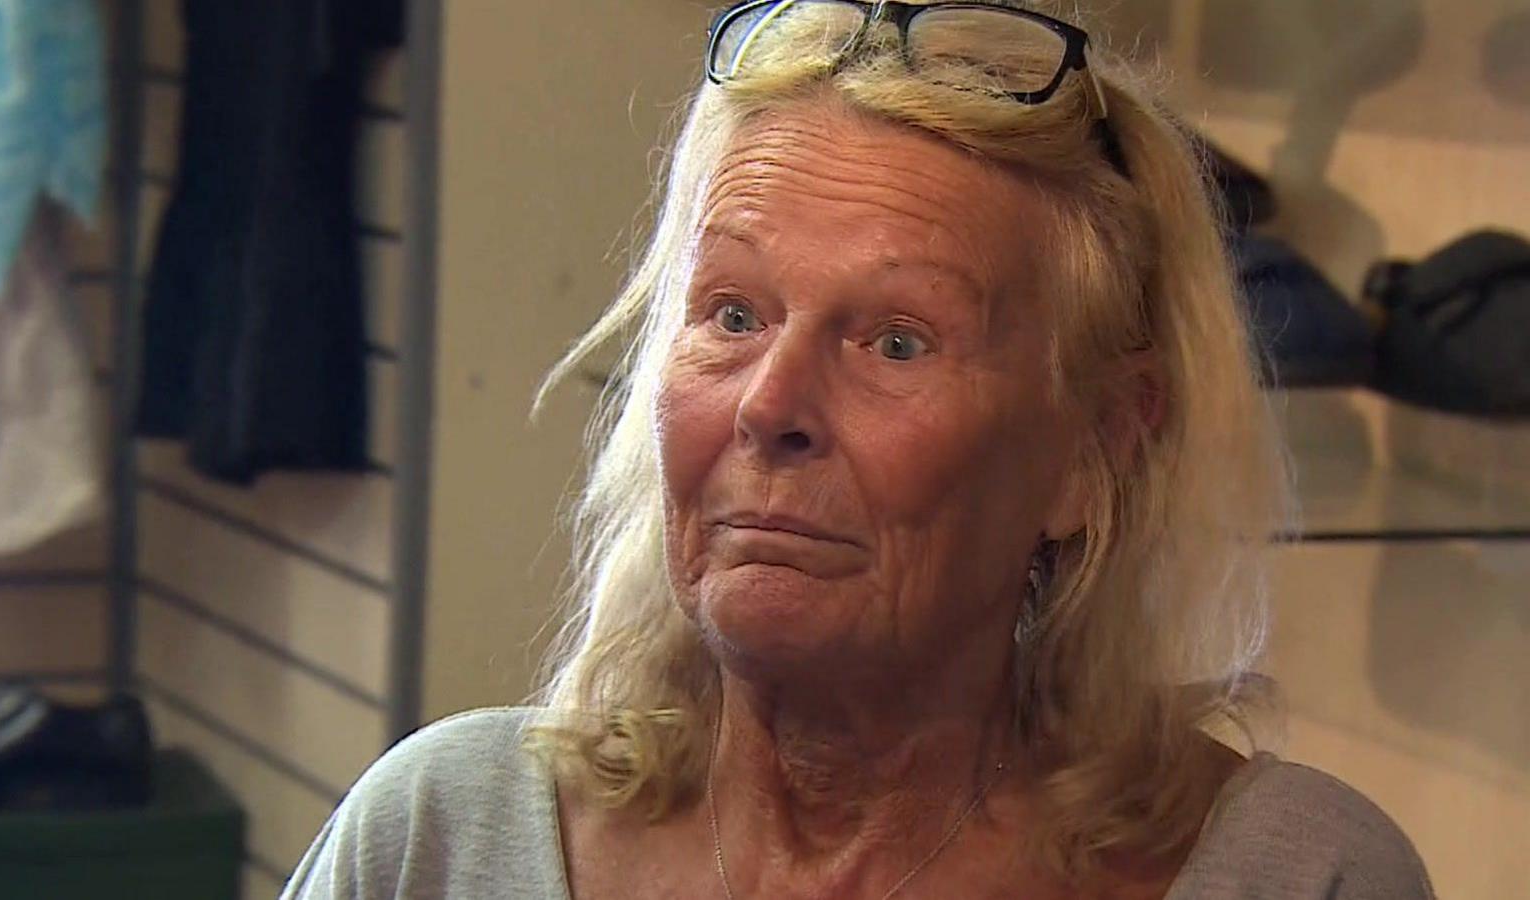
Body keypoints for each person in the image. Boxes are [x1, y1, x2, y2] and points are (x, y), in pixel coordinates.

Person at [282, 2, 1435, 897]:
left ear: (1094, 448)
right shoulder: (439, 836)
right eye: (730, 314)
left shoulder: (1296, 878)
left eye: (895, 340)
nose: (768, 404)